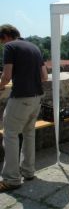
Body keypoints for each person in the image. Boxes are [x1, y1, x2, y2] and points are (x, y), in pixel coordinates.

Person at [0, 24, 48, 192]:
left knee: (10, 134)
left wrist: (1, 85)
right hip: (37, 97)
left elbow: (6, 76)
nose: (1, 44)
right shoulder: (34, 47)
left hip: (21, 97)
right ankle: (28, 171)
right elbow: (44, 76)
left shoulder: (10, 46)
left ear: (5, 36)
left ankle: (11, 179)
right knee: (28, 134)